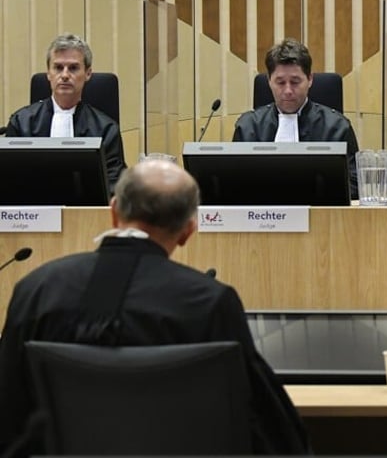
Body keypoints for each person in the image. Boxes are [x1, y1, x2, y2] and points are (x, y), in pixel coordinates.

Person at [0, 159, 310, 456]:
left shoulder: (36, 290)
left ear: (114, 212)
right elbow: (267, 424)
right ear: (188, 230)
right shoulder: (209, 302)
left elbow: (9, 409)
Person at [234, 38, 359, 198]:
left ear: (310, 79)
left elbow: (355, 185)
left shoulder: (337, 127)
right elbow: (234, 183)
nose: (288, 90)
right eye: (280, 82)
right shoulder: (248, 127)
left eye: (295, 82)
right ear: (269, 81)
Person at [6, 33, 126, 195]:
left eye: (73, 68)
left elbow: (114, 186)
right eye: (58, 67)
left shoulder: (106, 129)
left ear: (88, 73)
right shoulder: (21, 122)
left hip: (88, 209)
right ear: (48, 73)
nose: (64, 75)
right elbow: (8, 181)